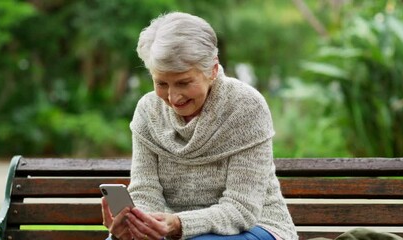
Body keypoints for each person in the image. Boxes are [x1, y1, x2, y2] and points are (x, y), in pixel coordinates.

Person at [101, 11, 298, 240]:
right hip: (174, 232)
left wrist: (179, 224)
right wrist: (137, 226)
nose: (174, 97)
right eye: (161, 83)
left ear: (212, 70)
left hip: (256, 226)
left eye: (184, 83)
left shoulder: (246, 107)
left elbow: (241, 209)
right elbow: (145, 191)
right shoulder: (148, 110)